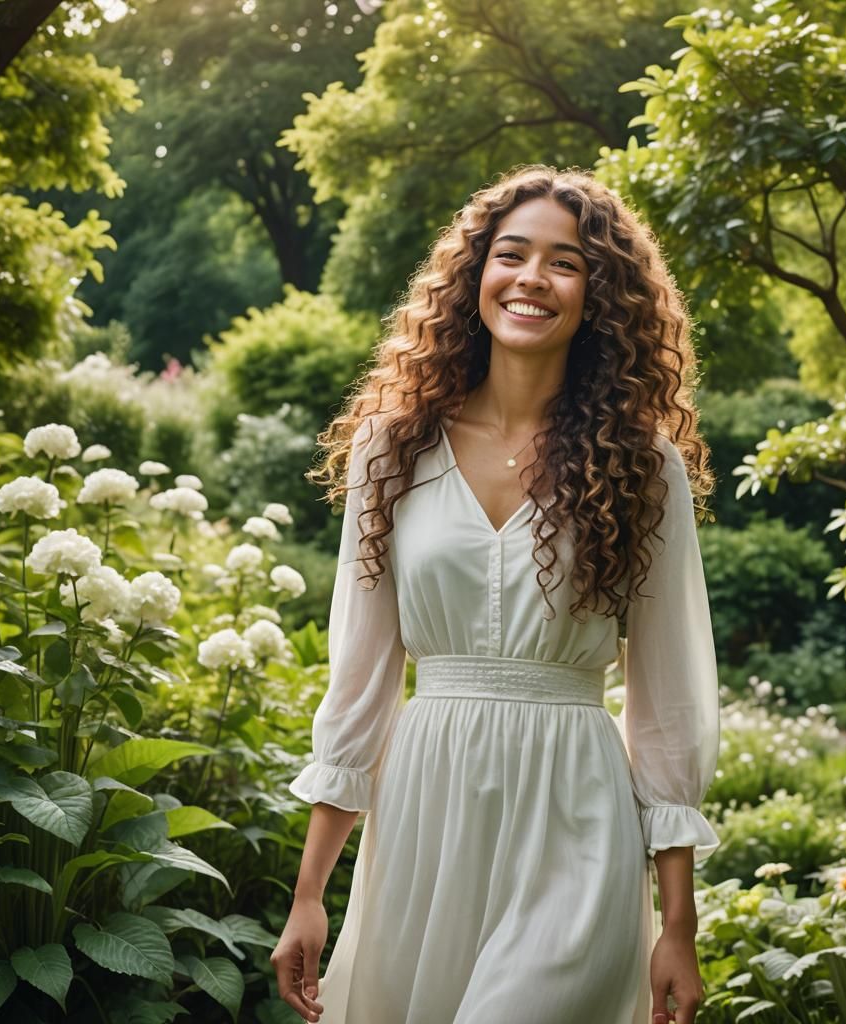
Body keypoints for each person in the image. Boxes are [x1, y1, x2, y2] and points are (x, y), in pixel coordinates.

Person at [270, 164, 721, 1024]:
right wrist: (310, 895)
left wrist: (678, 925)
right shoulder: (390, 449)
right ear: (475, 274)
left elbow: (667, 701)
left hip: (576, 811)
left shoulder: (643, 464)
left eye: (565, 262)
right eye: (511, 255)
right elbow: (361, 685)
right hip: (425, 811)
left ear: (603, 294)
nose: (532, 280)